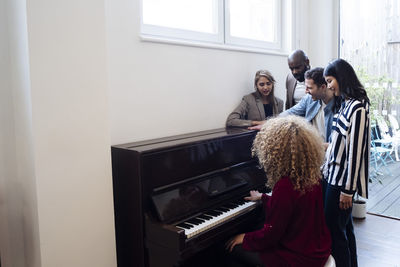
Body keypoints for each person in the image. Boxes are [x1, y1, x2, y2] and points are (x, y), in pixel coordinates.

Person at [225, 116, 331, 267]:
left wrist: (245, 237)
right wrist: (263, 197)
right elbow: (291, 209)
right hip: (316, 249)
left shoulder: (285, 185)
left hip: (298, 257)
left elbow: (271, 235)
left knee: (233, 249)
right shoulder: (311, 176)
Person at [323, 58, 370, 267]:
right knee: (345, 229)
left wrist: (348, 191)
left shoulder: (357, 108)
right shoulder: (345, 104)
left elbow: (355, 152)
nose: (329, 85)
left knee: (335, 233)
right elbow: (338, 144)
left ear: (341, 78)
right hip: (331, 176)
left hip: (341, 183)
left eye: (330, 80)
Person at [280, 67, 337, 142]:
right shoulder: (309, 99)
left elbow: (336, 144)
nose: (306, 91)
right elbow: (290, 113)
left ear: (323, 87)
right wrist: (269, 122)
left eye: (309, 88)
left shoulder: (339, 106)